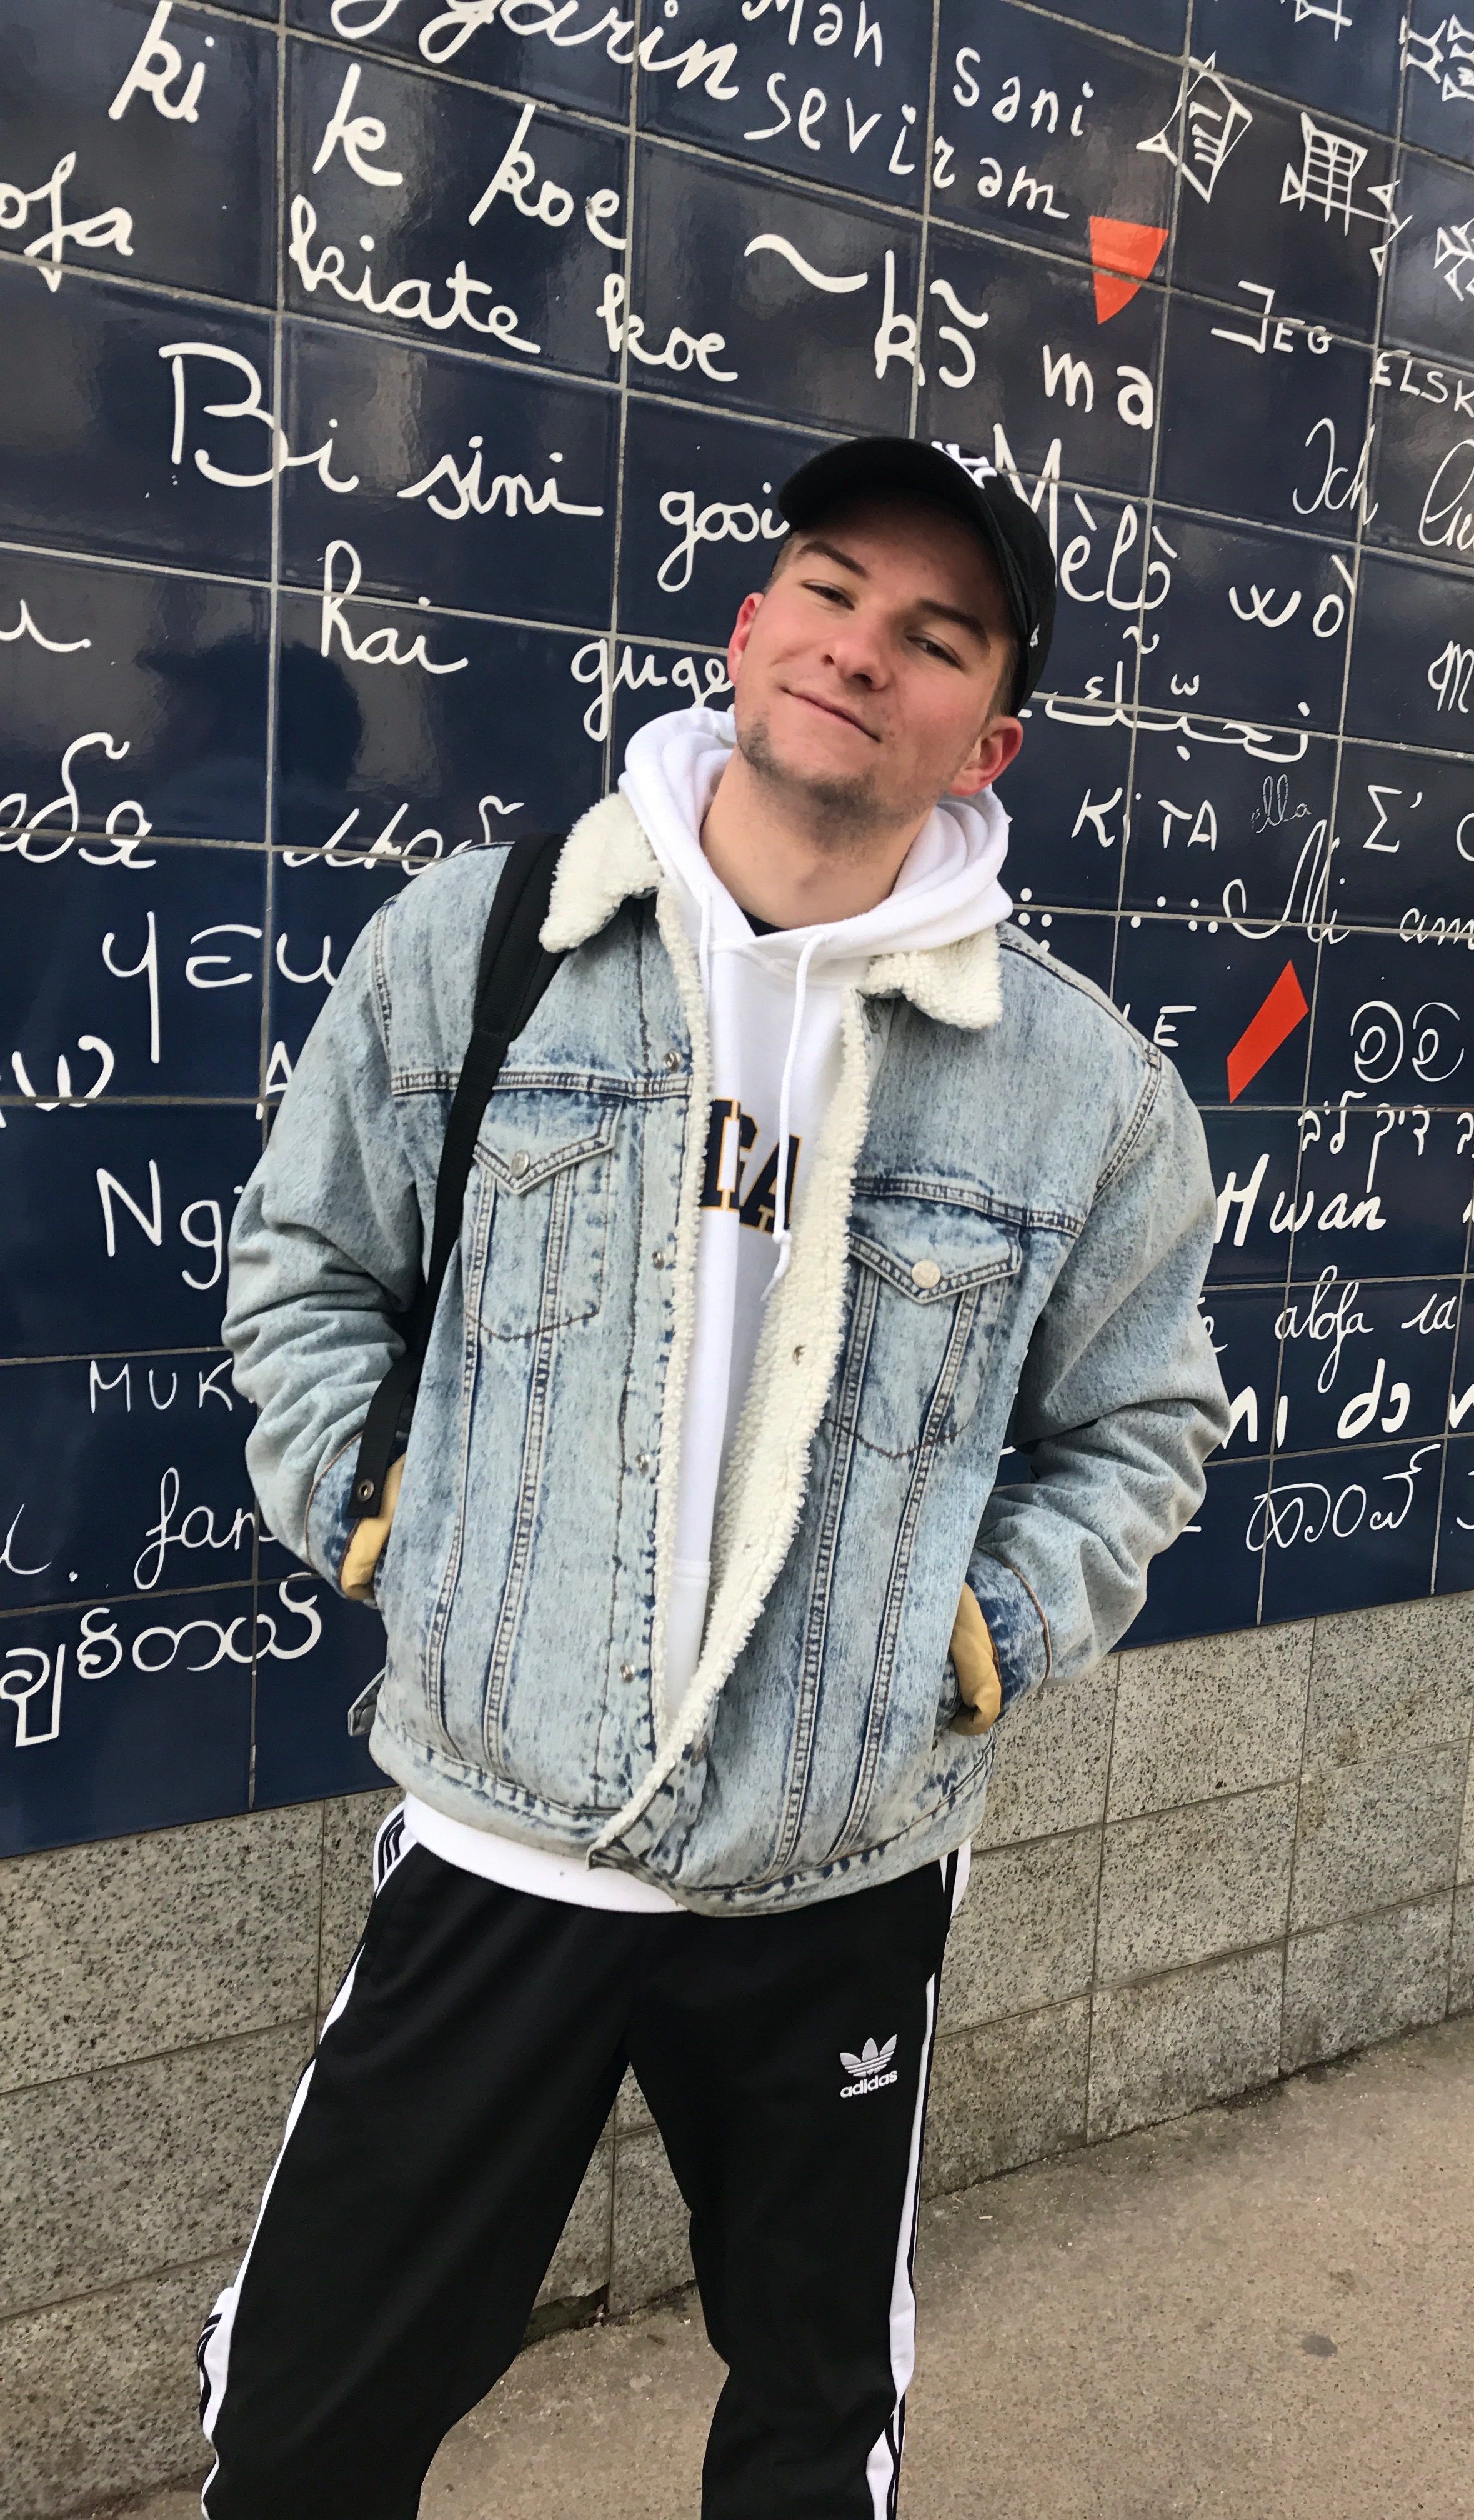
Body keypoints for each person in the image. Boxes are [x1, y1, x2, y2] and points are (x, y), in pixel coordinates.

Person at [205, 434, 1232, 2519]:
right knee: (307, 2421)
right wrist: (376, 1516)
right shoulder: (483, 948)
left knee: (806, 2430)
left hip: (834, 1876)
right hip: (507, 1838)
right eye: (832, 593)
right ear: (750, 626)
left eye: (934, 638)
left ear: (988, 738)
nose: (866, 652)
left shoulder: (1082, 1091)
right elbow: (308, 1276)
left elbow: (1143, 1423)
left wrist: (990, 1628)